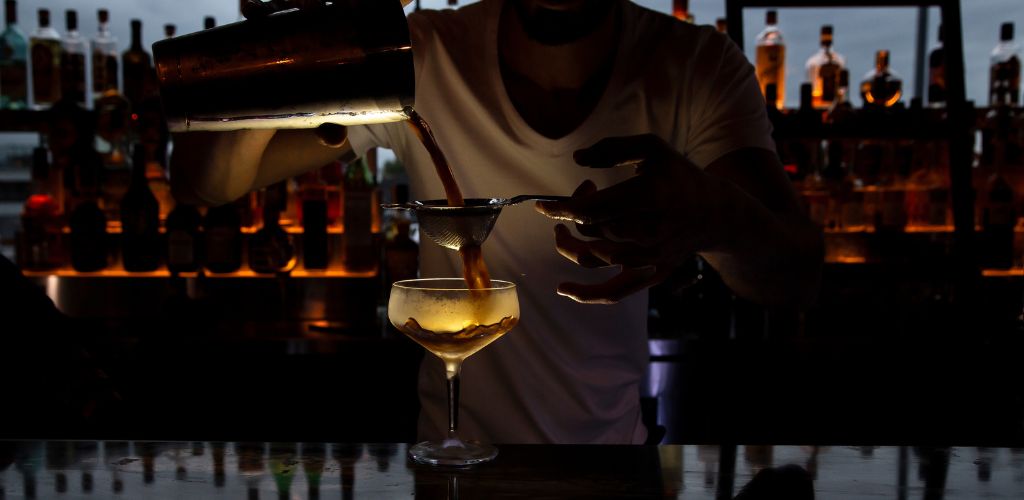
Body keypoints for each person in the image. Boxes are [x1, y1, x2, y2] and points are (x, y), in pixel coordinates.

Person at [171, 0, 822, 444]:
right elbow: (208, 183)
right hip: (453, 464)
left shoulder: (694, 67)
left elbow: (794, 272)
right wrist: (287, 31)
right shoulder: (423, 52)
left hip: (612, 465)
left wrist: (720, 221)